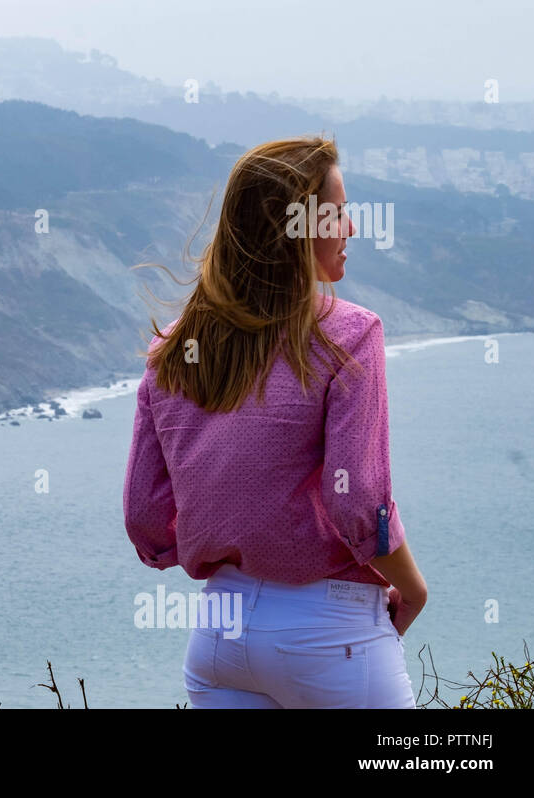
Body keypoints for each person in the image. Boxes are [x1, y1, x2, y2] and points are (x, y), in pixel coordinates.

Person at [122, 136, 427, 709]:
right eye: (337, 213)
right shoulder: (349, 335)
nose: (351, 229)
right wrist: (411, 590)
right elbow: (358, 501)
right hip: (329, 637)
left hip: (219, 640)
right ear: (299, 229)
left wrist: (214, 544)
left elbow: (145, 520)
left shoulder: (172, 351)